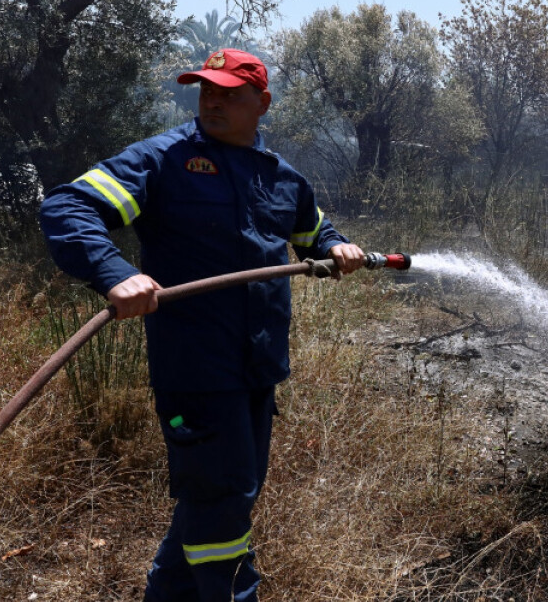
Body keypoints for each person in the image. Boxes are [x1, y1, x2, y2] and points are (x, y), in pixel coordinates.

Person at [40, 48, 366, 601]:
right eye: (205, 91)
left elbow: (313, 232)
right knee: (221, 504)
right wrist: (114, 271)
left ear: (261, 103)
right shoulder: (163, 160)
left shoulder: (281, 177)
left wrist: (337, 246)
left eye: (228, 93)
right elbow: (69, 207)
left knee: (222, 497)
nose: (211, 101)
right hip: (196, 369)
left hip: (259, 369)